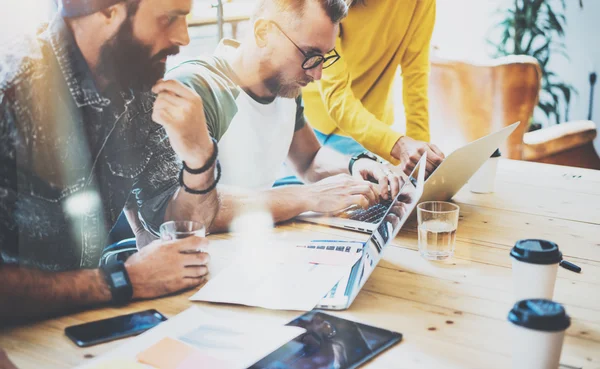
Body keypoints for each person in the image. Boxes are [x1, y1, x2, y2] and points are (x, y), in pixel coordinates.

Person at [0, 0, 219, 319]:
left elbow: (173, 224)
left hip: (76, 323)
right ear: (107, 11)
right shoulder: (12, 90)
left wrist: (200, 160)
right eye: (168, 18)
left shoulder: (138, 86)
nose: (184, 37)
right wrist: (124, 280)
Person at [166, 0, 403, 233]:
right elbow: (192, 212)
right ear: (263, 33)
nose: (317, 74)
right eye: (310, 55)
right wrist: (308, 196)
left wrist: (354, 165)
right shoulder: (196, 88)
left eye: (323, 58)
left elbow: (309, 160)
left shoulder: (285, 88)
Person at [302, 0, 444, 176]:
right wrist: (399, 145)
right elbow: (337, 96)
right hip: (310, 124)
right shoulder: (329, 4)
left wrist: (421, 155)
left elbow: (416, 77)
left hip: (370, 129)